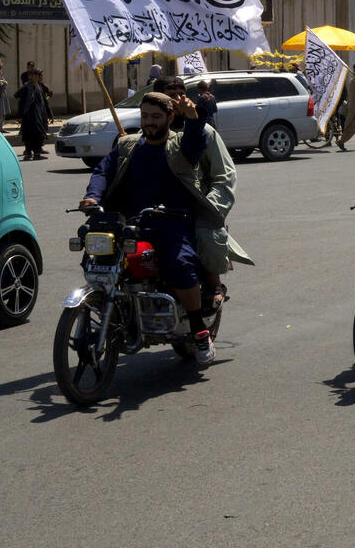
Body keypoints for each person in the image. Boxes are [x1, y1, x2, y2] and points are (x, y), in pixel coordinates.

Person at [79, 91, 219, 364]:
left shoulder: (179, 145)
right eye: (145, 116)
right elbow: (102, 172)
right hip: (132, 224)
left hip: (172, 222)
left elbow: (194, 146)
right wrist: (92, 196)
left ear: (169, 117)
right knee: (97, 257)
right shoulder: (127, 145)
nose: (149, 122)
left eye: (156, 117)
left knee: (180, 265)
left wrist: (193, 119)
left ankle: (199, 330)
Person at [157, 76, 252, 306]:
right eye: (170, 94)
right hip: (156, 204)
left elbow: (225, 174)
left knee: (204, 233)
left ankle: (213, 283)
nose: (177, 99)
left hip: (195, 204)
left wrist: (211, 207)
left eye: (181, 93)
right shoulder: (148, 131)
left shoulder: (204, 131)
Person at [15, 69, 50, 160]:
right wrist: (20, 115)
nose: (32, 77)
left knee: (38, 134)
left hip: (39, 115)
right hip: (28, 115)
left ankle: (37, 154)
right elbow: (18, 98)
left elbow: (44, 102)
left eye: (34, 75)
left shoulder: (39, 87)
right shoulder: (26, 87)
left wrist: (49, 114)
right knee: (28, 135)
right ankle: (28, 153)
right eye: (30, 75)